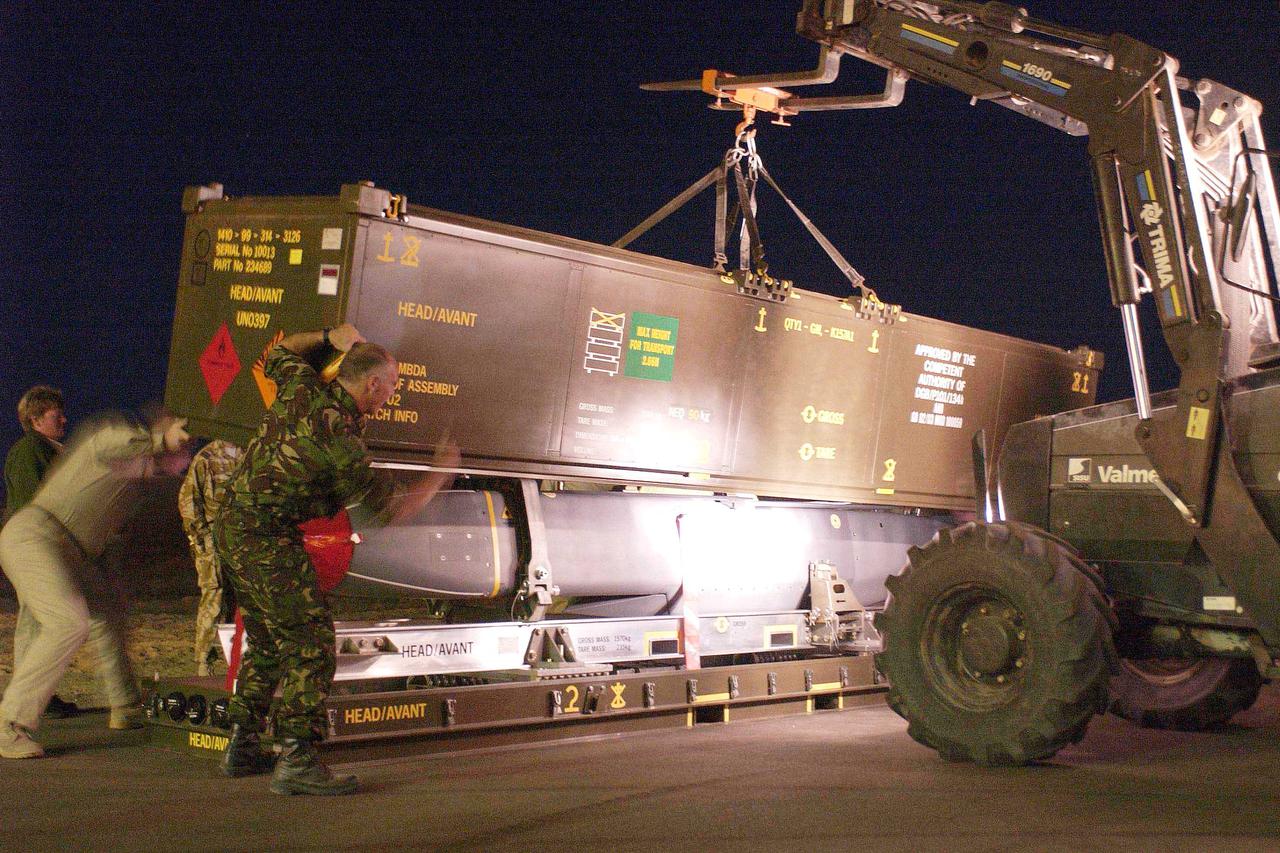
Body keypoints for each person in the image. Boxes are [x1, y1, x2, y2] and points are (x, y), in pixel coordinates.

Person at [215, 324, 455, 795]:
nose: (391, 396)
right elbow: (392, 509)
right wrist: (439, 475)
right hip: (267, 537)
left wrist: (329, 335)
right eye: (391, 387)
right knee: (311, 643)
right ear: (371, 385)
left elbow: (280, 351)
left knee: (267, 640)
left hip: (234, 527)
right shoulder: (340, 440)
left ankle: (243, 745)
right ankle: (298, 759)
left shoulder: (303, 388)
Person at [0, 412, 191, 759]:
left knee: (106, 611)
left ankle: (126, 704)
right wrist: (161, 439)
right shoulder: (112, 440)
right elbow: (114, 444)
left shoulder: (133, 474)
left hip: (70, 550)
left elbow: (151, 475)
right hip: (37, 535)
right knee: (67, 623)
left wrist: (167, 457)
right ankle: (9, 724)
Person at [4, 385, 78, 719]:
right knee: (47, 623)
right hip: (33, 546)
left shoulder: (46, 449)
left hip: (39, 546)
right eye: (54, 415)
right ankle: (27, 703)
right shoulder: (30, 451)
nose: (63, 419)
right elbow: (35, 501)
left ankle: (35, 697)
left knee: (34, 622)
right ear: (35, 420)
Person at [177, 439, 242, 677]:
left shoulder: (249, 452)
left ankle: (237, 658)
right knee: (214, 596)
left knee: (240, 599)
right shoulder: (207, 458)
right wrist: (201, 537)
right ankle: (204, 659)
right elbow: (188, 501)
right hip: (212, 539)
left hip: (240, 539)